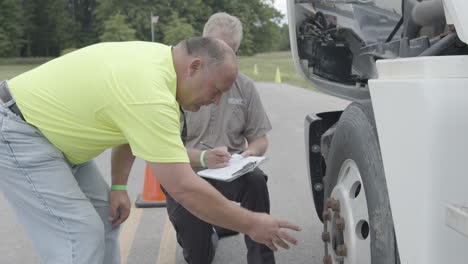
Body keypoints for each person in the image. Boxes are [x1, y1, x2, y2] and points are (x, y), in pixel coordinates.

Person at [0, 37, 300, 264]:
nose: (216, 101)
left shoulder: (159, 62)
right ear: (194, 67)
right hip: (21, 132)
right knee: (79, 235)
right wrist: (251, 223)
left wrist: (118, 186)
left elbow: (129, 131)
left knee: (105, 217)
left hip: (52, 139)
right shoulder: (152, 94)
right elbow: (185, 189)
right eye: (216, 90)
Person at [163, 12, 276, 264]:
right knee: (199, 256)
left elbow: (259, 139)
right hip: (187, 174)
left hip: (230, 173)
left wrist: (249, 154)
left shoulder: (244, 87)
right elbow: (162, 151)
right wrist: (203, 158)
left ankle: (261, 258)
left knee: (256, 180)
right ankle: (214, 229)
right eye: (216, 47)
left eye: (230, 50)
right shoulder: (175, 86)